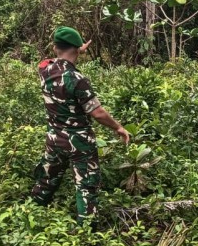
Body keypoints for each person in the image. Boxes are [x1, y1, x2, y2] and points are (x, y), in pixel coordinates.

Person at [31, 26, 130, 223]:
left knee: (47, 178)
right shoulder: (78, 79)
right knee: (86, 185)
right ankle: (86, 230)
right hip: (79, 142)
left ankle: (31, 213)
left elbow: (53, 60)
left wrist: (77, 49)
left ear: (54, 47)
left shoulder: (44, 69)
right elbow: (97, 113)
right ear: (76, 49)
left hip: (54, 138)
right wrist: (118, 127)